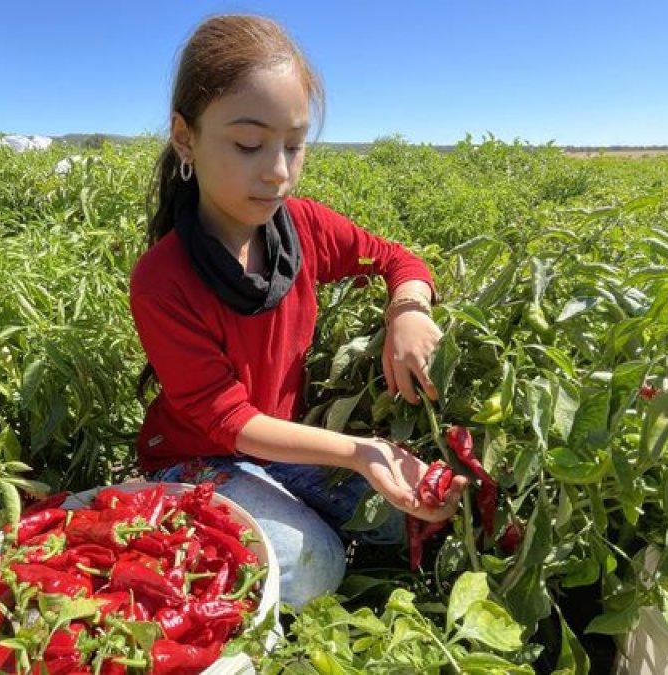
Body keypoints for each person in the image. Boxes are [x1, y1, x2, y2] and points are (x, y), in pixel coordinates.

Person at [128, 15, 467, 610]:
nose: (278, 171)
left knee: (400, 518)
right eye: (249, 145)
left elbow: (396, 259)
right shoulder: (163, 278)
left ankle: (280, 512)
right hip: (195, 458)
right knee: (315, 567)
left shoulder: (304, 228)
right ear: (185, 138)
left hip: (278, 447)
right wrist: (361, 452)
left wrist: (408, 309)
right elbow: (228, 420)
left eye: (294, 144)